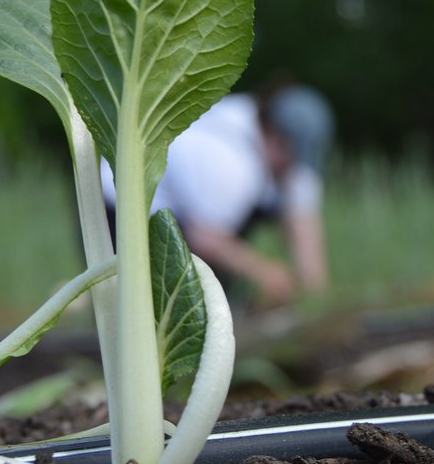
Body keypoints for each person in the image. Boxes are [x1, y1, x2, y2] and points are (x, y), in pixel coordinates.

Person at [101, 84, 333, 306]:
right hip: (127, 207)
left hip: (204, 210)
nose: (293, 167)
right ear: (273, 135)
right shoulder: (228, 164)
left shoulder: (273, 143)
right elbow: (205, 238)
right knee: (147, 303)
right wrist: (262, 271)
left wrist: (314, 289)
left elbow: (302, 211)